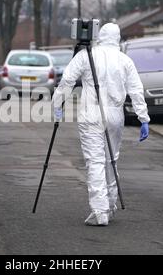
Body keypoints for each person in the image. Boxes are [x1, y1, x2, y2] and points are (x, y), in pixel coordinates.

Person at [52, 23, 150, 226]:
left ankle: (100, 211)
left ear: (100, 36)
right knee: (111, 160)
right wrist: (143, 118)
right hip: (114, 115)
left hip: (91, 114)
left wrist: (57, 104)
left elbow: (67, 80)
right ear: (118, 38)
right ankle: (110, 204)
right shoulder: (125, 60)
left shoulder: (87, 55)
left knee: (95, 162)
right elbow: (136, 90)